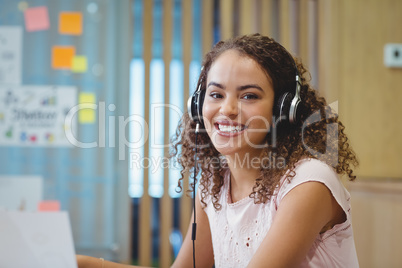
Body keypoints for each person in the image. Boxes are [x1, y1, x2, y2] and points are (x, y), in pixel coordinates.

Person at [77, 33, 359, 268]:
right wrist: (82, 263)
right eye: (216, 94)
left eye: (249, 96)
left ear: (283, 110)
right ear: (198, 105)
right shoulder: (214, 183)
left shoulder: (308, 183)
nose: (227, 109)